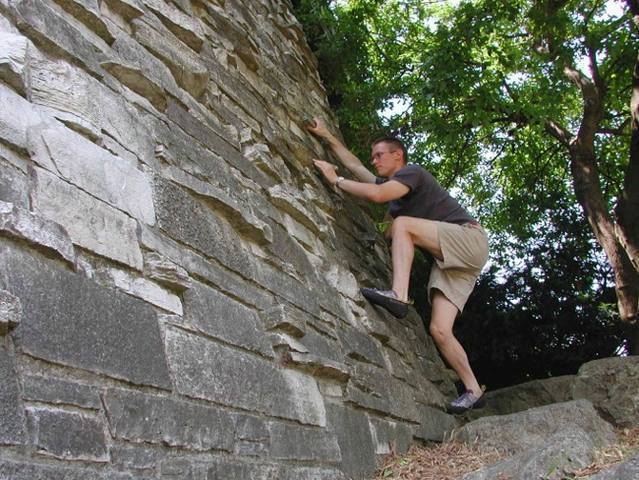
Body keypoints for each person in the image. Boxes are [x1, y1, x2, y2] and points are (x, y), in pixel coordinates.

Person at [307, 118, 489, 413]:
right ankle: (473, 389)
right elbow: (356, 167)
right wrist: (326, 135)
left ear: (398, 156)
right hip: (452, 262)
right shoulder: (396, 196)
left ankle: (399, 295)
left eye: (380, 155)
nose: (374, 160)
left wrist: (334, 181)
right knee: (440, 330)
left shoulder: (412, 173)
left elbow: (378, 196)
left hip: (468, 239)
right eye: (373, 156)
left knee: (402, 225)